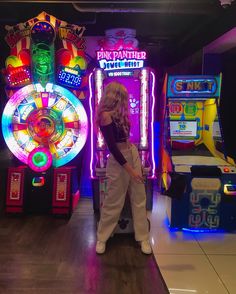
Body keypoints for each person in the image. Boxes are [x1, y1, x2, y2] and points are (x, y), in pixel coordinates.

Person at [95, 81, 152, 255]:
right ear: (116, 97)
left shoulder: (121, 115)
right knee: (113, 199)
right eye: (123, 97)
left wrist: (138, 165)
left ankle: (143, 237)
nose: (126, 101)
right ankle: (102, 237)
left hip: (131, 152)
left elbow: (126, 141)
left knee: (139, 197)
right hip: (118, 159)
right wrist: (132, 171)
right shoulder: (106, 116)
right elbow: (112, 147)